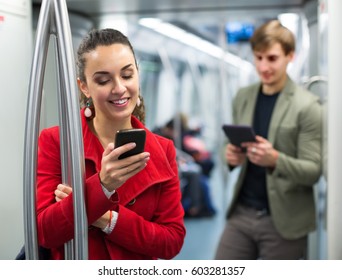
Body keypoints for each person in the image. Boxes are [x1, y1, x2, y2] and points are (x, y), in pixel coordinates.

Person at [35, 28, 186, 260]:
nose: (119, 88)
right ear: (84, 86)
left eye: (127, 75)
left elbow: (171, 241)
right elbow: (45, 232)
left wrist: (105, 218)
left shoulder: (163, 150)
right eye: (104, 80)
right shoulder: (57, 141)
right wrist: (102, 185)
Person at [215, 20, 322, 260]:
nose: (264, 66)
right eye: (259, 57)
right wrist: (230, 156)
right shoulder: (243, 97)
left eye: (272, 58)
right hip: (242, 213)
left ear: (290, 56)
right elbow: (226, 146)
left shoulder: (308, 106)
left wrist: (274, 160)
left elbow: (313, 171)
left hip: (284, 221)